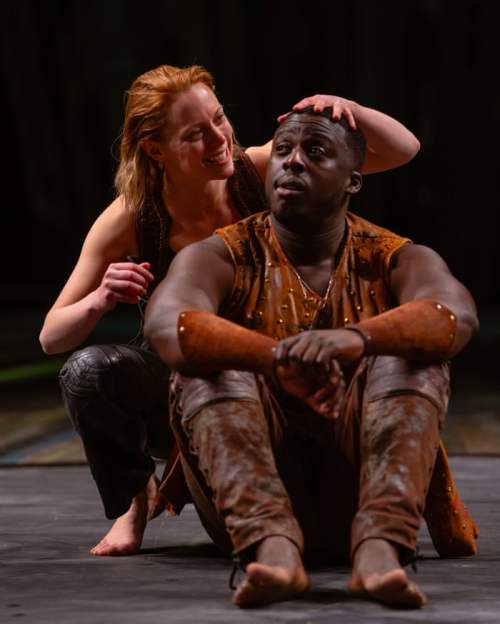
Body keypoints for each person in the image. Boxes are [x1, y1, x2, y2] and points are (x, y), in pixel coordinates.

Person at [39, 63, 422, 557]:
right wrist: (100, 298)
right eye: (195, 134)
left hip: (275, 376)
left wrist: (352, 111)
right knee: (88, 372)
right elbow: (52, 336)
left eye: (219, 118)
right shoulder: (131, 216)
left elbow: (404, 150)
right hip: (184, 384)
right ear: (155, 149)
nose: (219, 138)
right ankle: (135, 501)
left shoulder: (260, 170)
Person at [144, 106, 479, 609]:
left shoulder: (394, 255)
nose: (292, 162)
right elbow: (168, 325)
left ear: (353, 181)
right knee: (210, 369)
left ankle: (380, 550)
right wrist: (273, 357)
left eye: (315, 152)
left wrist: (357, 339)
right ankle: (274, 551)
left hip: (358, 494)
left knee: (412, 357)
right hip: (242, 516)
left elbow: (455, 317)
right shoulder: (220, 253)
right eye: (282, 151)